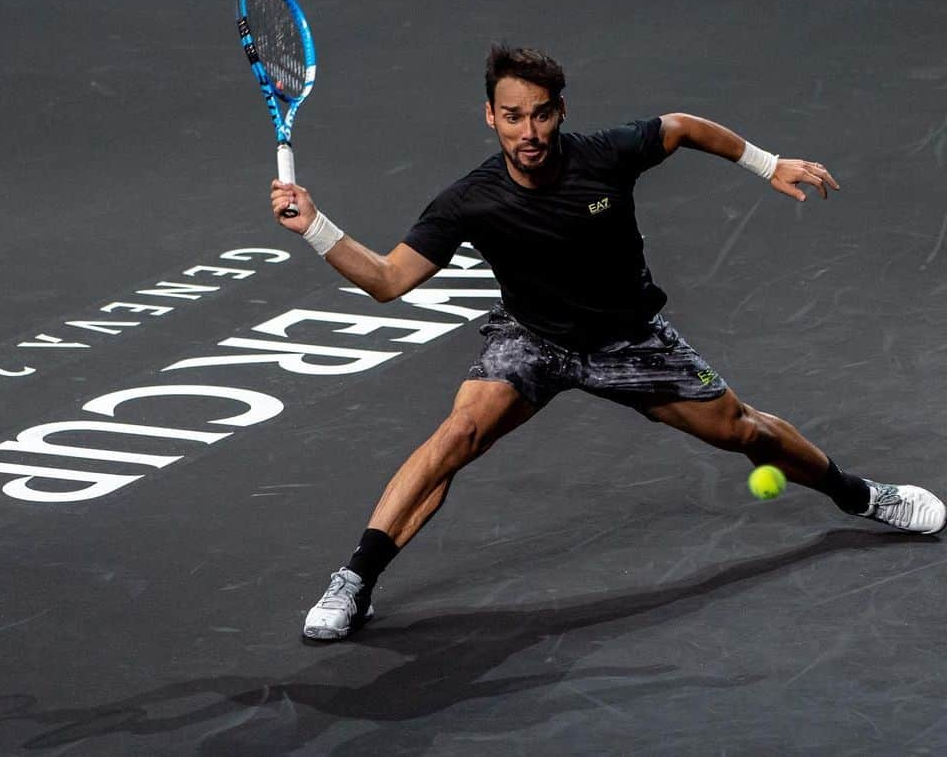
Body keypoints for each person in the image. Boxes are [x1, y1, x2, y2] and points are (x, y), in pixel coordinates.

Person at [269, 44, 947, 642]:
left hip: (630, 343)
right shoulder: (468, 201)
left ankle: (860, 496)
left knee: (746, 433)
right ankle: (354, 580)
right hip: (532, 341)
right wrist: (316, 228)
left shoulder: (605, 156)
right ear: (490, 117)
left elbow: (682, 127)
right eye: (512, 116)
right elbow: (389, 280)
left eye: (540, 113)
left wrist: (767, 164)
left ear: (559, 111)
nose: (527, 131)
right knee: (455, 437)